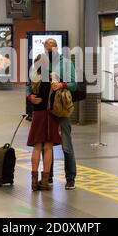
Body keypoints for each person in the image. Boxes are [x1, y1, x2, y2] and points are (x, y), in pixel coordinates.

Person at [28, 38, 78, 190]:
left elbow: (74, 85)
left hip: (61, 108)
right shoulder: (40, 63)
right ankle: (47, 177)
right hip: (45, 111)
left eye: (52, 48)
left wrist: (61, 84)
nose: (49, 51)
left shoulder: (67, 63)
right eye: (47, 48)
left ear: (57, 48)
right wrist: (29, 97)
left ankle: (70, 178)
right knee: (45, 144)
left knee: (66, 145)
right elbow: (29, 85)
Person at [26, 54, 62, 192]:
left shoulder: (33, 77)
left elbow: (29, 93)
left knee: (36, 147)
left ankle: (34, 182)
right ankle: (45, 182)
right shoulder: (53, 76)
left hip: (37, 114)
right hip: (50, 114)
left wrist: (30, 98)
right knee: (48, 148)